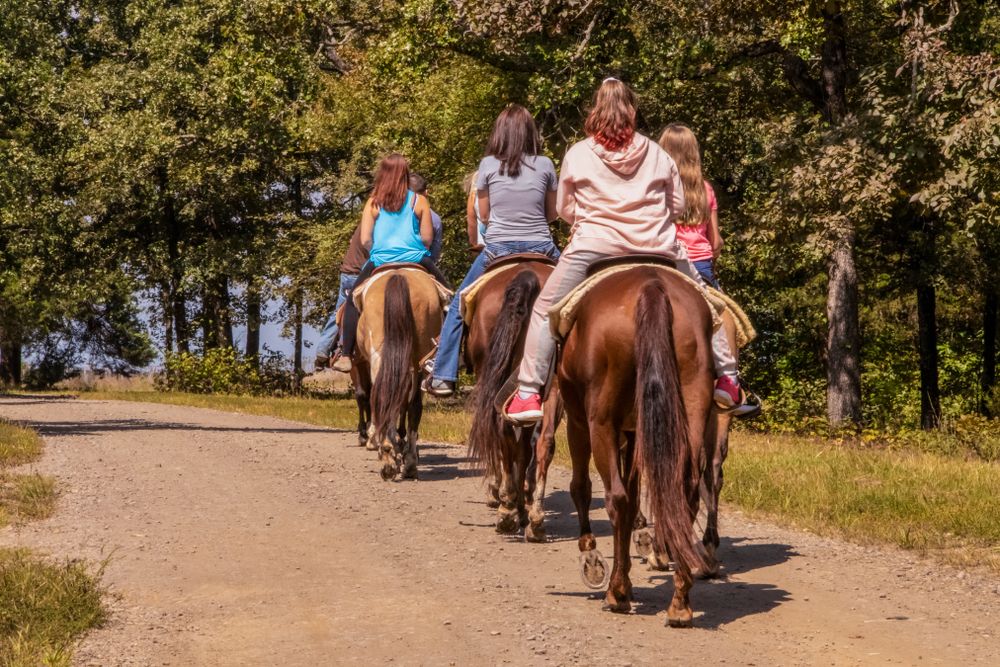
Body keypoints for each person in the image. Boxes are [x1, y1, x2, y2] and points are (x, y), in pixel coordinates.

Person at [505, 79, 742, 423]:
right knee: (707, 301)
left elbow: (567, 209)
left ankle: (528, 393)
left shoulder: (577, 153)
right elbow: (676, 207)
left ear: (595, 111)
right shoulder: (658, 153)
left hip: (594, 248)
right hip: (659, 248)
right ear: (631, 111)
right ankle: (729, 380)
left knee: (544, 309)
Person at [423, 105, 561, 396]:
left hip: (497, 250)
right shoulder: (547, 164)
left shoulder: (486, 165)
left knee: (460, 304)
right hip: (542, 247)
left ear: (500, 133)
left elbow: (484, 216)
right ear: (530, 133)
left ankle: (444, 374)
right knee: (581, 294)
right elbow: (552, 214)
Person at [333, 154, 452, 373]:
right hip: (416, 258)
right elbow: (427, 238)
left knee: (351, 300)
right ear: (405, 175)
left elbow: (366, 239)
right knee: (449, 298)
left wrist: (380, 251)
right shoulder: (419, 201)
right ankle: (451, 355)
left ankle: (346, 354)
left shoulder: (373, 202)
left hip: (380, 259)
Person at [657, 124, 723, 290]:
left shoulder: (655, 188)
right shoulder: (705, 189)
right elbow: (715, 243)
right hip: (699, 266)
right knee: (726, 311)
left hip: (662, 261)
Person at [313, 224, 368, 371]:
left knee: (340, 310)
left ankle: (322, 352)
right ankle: (344, 352)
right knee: (349, 311)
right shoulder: (384, 223)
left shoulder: (369, 219)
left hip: (349, 271)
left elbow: (353, 241)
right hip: (356, 274)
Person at [409, 172, 443, 263]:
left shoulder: (390, 211)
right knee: (440, 278)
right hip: (421, 261)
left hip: (390, 259)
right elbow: (434, 255)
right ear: (426, 192)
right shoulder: (435, 218)